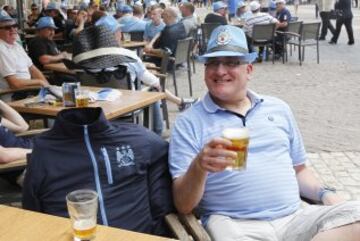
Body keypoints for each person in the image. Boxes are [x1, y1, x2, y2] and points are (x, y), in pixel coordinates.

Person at [169, 24, 360, 241]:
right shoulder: (189, 122)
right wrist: (199, 166)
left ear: (248, 70)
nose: (220, 71)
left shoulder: (278, 108)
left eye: (231, 62)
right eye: (213, 63)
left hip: (295, 217)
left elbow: (299, 170)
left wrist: (325, 194)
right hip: (233, 223)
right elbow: (183, 205)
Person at [22, 107, 174, 236]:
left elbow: (168, 158)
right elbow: (32, 211)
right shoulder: (45, 150)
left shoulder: (137, 139)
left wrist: (161, 219)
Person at [0, 10, 48, 92]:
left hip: (28, 91)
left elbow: (32, 69)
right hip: (14, 96)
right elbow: (14, 84)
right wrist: (40, 82)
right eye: (7, 28)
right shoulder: (1, 48)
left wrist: (48, 86)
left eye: (14, 26)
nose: (13, 29)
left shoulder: (16, 45)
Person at [28, 17, 75, 86]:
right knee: (76, 80)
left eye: (53, 30)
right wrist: (61, 56)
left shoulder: (49, 40)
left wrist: (62, 55)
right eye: (49, 29)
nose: (52, 32)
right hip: (47, 75)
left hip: (57, 72)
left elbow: (57, 54)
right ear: (40, 30)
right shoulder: (37, 41)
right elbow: (44, 59)